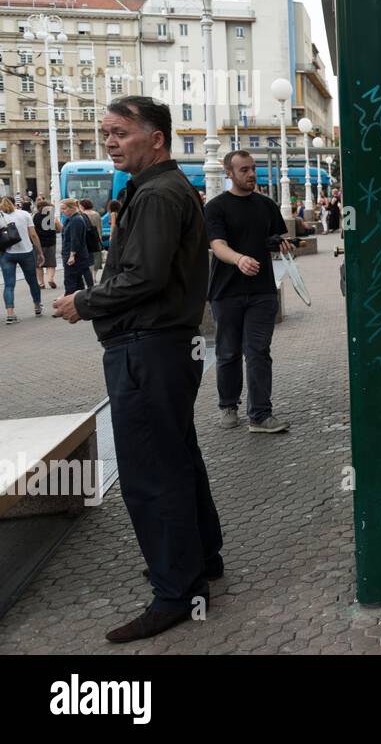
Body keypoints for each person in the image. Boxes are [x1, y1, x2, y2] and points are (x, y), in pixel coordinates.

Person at [52, 95, 222, 643]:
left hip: (148, 350)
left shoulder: (157, 194)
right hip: (162, 348)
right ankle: (200, 561)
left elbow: (144, 277)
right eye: (106, 133)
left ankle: (177, 591)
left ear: (156, 138)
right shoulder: (162, 189)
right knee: (177, 455)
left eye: (120, 132)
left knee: (151, 471)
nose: (109, 142)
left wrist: (87, 301)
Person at [205, 149, 291, 434]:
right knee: (228, 352)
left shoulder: (266, 205)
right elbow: (217, 245)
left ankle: (260, 415)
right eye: (244, 169)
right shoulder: (216, 207)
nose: (252, 174)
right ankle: (228, 405)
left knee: (258, 352)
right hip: (226, 292)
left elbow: (273, 237)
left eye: (253, 168)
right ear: (229, 173)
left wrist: (279, 242)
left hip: (262, 292)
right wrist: (239, 259)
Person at [0, 196, 45, 323]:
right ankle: (37, 306)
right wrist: (40, 252)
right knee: (32, 281)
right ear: (15, 203)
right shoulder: (24, 214)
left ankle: (10, 314)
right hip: (26, 251)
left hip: (6, 254)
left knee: (9, 284)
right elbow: (33, 235)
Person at [58, 198, 92, 295]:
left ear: (72, 208)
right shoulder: (70, 219)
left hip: (74, 255)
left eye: (64, 209)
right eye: (61, 209)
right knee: (76, 279)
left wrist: (72, 255)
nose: (62, 211)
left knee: (70, 279)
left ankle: (69, 298)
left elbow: (75, 239)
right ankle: (77, 299)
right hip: (70, 253)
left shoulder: (76, 220)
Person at [33, 200, 59, 290]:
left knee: (38, 264)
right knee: (51, 263)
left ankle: (41, 283)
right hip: (50, 242)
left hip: (38, 242)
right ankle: (50, 279)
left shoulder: (35, 216)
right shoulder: (51, 216)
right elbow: (59, 228)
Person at [79, 198, 104, 281]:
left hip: (86, 238)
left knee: (87, 257)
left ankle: (88, 275)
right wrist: (100, 238)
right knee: (96, 258)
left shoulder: (81, 214)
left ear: (82, 206)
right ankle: (94, 276)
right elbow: (99, 227)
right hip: (95, 238)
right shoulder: (96, 214)